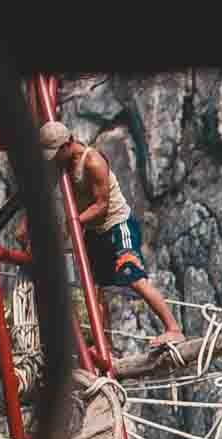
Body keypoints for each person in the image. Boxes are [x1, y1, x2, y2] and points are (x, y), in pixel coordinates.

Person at [36, 120, 184, 348]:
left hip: (117, 225)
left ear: (67, 145)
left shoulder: (93, 162)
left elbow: (101, 205)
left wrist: (72, 222)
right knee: (95, 288)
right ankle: (105, 344)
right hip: (94, 231)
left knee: (134, 277)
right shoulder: (62, 165)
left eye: (55, 153)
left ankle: (173, 329)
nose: (53, 159)